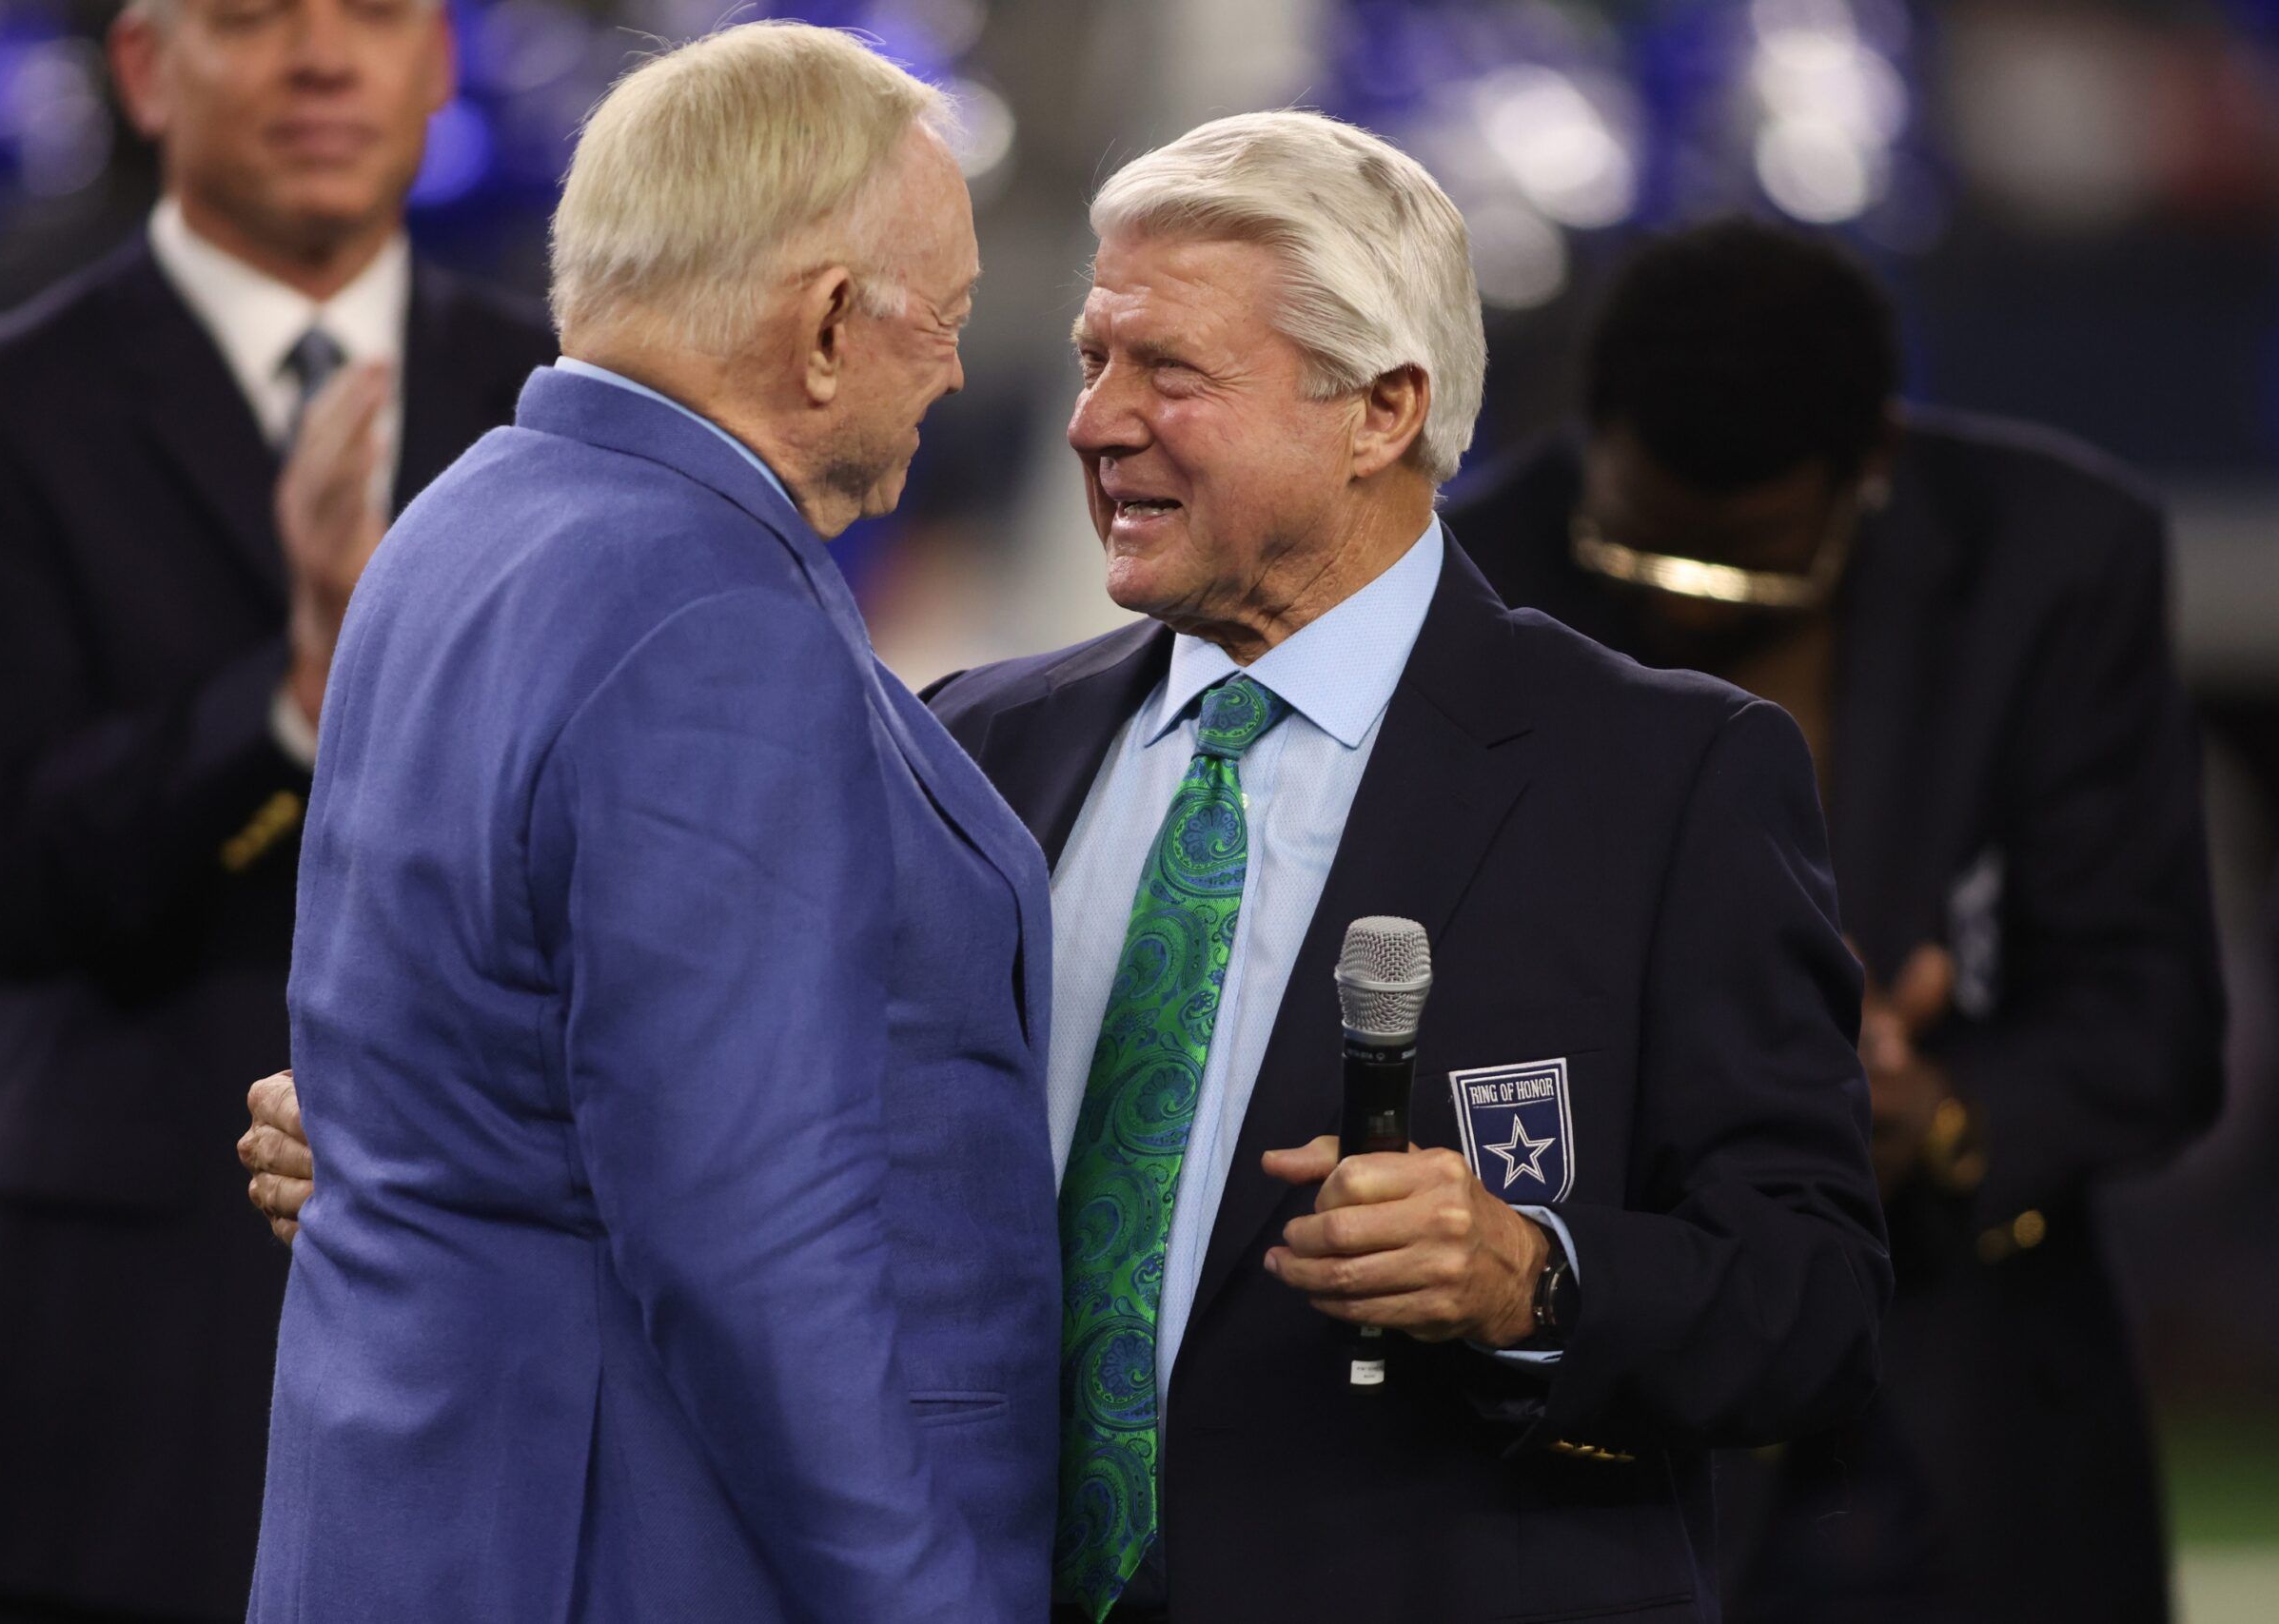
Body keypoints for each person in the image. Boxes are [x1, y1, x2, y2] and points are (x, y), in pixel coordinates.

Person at [250, 111, 1888, 1623]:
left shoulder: (1664, 778)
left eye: (1168, 371)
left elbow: (1814, 1295)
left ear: (1381, 409)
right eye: (1095, 354)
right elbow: (760, 1144)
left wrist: (1533, 1273)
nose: (1093, 421)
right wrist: (455, 1143)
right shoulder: (967, 747)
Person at [243, 25, 1058, 1623]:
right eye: (942, 318)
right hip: (630, 1547)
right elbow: (748, 1237)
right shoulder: (705, 612)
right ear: (827, 325)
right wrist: (919, 1601)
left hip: (423, 1517)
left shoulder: (459, 518)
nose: (956, 370)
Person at [0, 0, 549, 1618]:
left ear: (440, 67)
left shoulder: (569, 400)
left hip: (503, 1371)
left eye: (375, 16)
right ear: (148, 70)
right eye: (253, 18)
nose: (323, 60)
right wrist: (298, 696)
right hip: (114, 1389)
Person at [1442, 220, 2224, 1624]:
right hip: (1617, 1407)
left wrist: (1939, 1116)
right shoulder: (1471, 568)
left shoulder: (2053, 559)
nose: (1687, 611)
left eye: (1747, 564)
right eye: (1644, 554)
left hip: (1956, 1400)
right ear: (1590, 440)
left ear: (1874, 463)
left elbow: (2153, 1018)